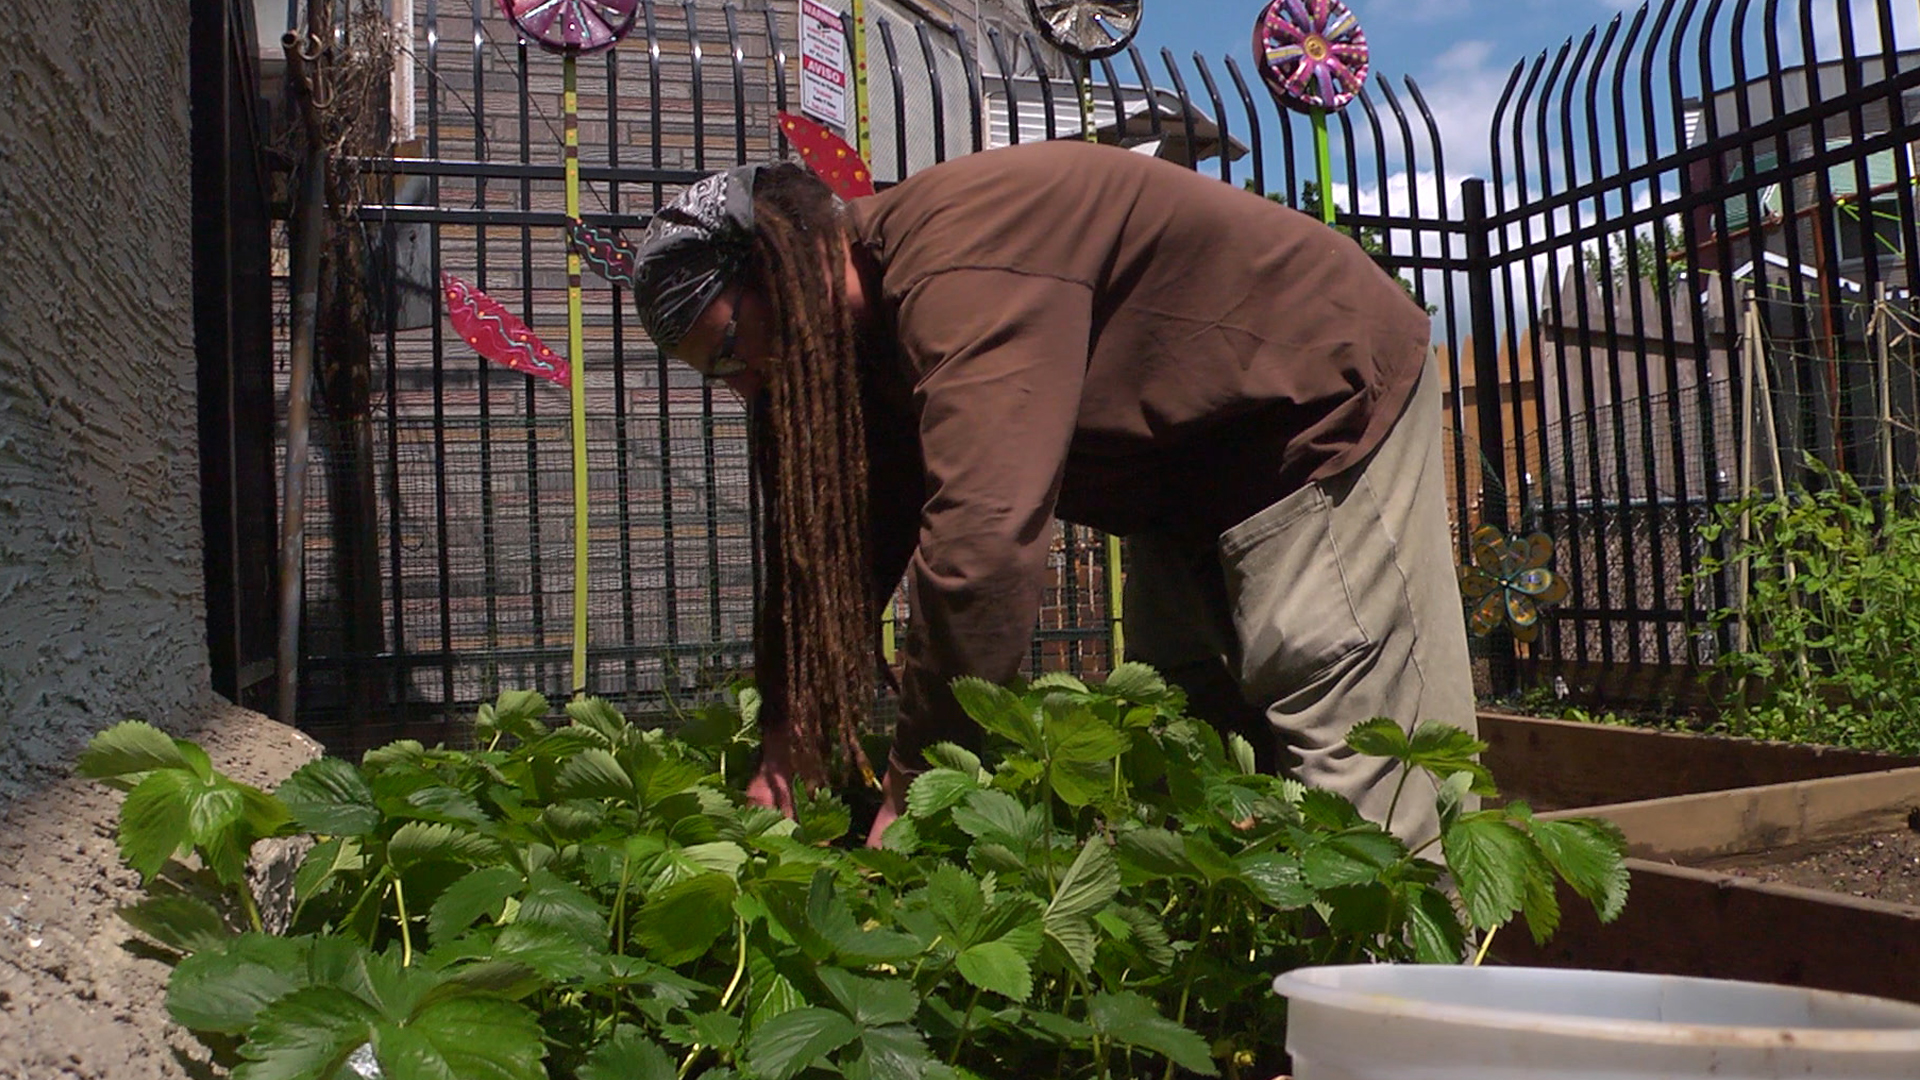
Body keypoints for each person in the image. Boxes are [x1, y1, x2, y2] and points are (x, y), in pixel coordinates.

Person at [629, 139, 1474, 848]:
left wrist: (919, 783)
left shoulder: (960, 259)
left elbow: (983, 545)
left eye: (731, 347)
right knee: (1186, 742)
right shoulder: (855, 353)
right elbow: (833, 550)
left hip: (1314, 411)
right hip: (1184, 480)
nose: (744, 385)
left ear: (794, 262)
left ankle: (1406, 981)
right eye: (715, 374)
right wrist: (789, 736)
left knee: (1351, 751)